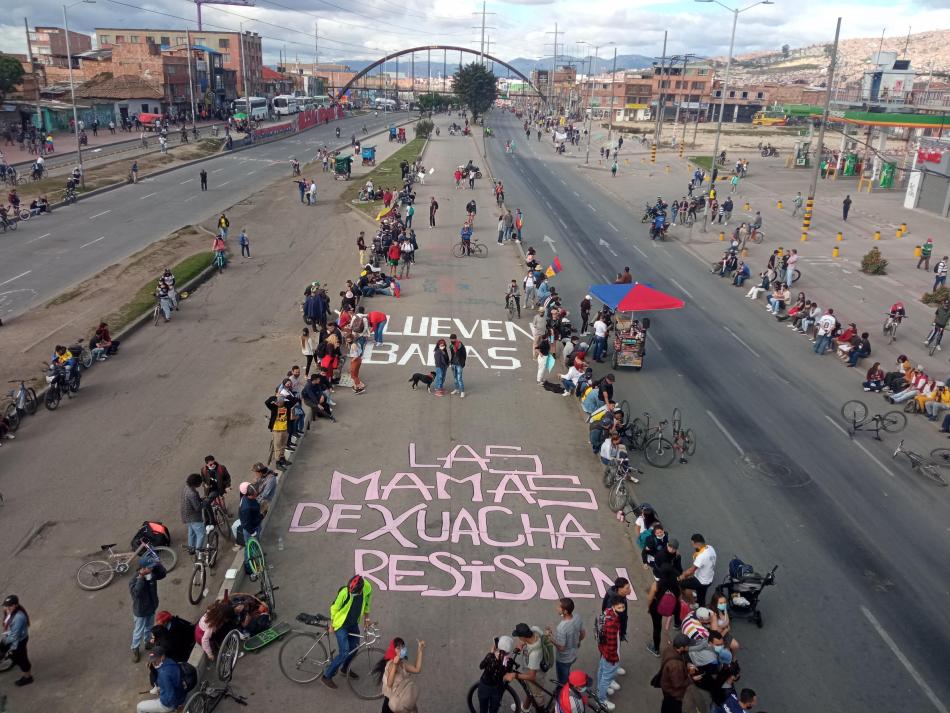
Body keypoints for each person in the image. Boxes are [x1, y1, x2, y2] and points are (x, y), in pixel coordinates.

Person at [322, 575, 373, 689]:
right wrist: (332, 624)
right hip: (341, 625)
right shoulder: (345, 592)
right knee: (344, 652)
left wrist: (367, 619)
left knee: (354, 647)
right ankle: (326, 676)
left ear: (361, 589)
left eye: (354, 592)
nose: (352, 593)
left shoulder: (367, 588)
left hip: (353, 623)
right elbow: (334, 608)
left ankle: (345, 669)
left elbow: (367, 604)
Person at [130, 556, 168, 662]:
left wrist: (158, 564)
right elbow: (136, 593)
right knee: (138, 631)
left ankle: (147, 642)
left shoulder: (152, 574)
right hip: (141, 611)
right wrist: (141, 577)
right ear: (143, 568)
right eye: (149, 567)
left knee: (149, 627)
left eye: (152, 567)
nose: (152, 569)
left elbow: (163, 574)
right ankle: (135, 648)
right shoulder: (134, 580)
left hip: (151, 607)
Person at [375, 637, 425, 713]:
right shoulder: (391, 664)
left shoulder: (402, 664)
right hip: (392, 705)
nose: (401, 649)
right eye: (398, 648)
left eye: (402, 647)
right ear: (393, 650)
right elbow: (389, 683)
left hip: (402, 700)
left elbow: (417, 669)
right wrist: (395, 664)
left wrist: (420, 650)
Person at [546, 597, 585, 685]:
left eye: (559, 607)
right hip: (574, 653)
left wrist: (551, 639)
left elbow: (561, 648)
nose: (556, 608)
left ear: (565, 611)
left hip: (564, 659)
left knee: (562, 680)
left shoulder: (562, 627)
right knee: (567, 671)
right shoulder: (577, 617)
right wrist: (577, 642)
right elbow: (583, 634)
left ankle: (563, 692)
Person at [595, 595, 624, 710]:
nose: (622, 609)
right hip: (610, 655)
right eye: (619, 607)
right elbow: (612, 645)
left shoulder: (606, 613)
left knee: (602, 671)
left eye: (623, 607)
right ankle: (601, 700)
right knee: (606, 677)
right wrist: (614, 658)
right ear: (613, 606)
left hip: (603, 650)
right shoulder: (613, 623)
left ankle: (601, 689)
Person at [476, 635, 517, 713]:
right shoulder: (509, 662)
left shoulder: (490, 657)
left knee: (483, 708)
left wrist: (491, 653)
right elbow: (507, 676)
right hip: (498, 689)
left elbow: (481, 666)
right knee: (494, 709)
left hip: (485, 686)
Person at [510, 623, 545, 713]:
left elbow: (532, 676)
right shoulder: (535, 630)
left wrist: (514, 675)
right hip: (533, 668)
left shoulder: (534, 654)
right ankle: (525, 709)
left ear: (523, 637)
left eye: (518, 636)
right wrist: (524, 643)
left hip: (535, 676)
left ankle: (541, 710)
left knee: (537, 697)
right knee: (529, 691)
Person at [137, 647, 185, 713]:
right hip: (180, 694)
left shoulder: (163, 674)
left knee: (139, 706)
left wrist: (161, 693)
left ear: (162, 657)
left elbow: (169, 698)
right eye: (151, 661)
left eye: (154, 661)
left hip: (170, 704)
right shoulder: (169, 661)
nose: (153, 663)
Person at [1, 595, 32, 686]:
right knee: (10, 652)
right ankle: (13, 660)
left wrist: (5, 641)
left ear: (16, 605)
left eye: (9, 606)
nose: (6, 608)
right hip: (11, 637)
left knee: (22, 659)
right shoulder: (9, 611)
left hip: (18, 641)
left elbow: (15, 636)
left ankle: (27, 677)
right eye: (6, 605)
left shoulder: (19, 618)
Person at [679, 533, 716, 606]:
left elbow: (691, 570)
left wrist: (681, 576)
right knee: (701, 596)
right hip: (708, 579)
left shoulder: (702, 556)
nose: (692, 545)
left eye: (692, 544)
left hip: (700, 581)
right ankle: (700, 607)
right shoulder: (710, 548)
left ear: (695, 543)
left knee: (681, 584)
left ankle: (691, 602)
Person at [660, 634, 693, 713]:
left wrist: (687, 664)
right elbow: (678, 684)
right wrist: (690, 678)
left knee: (666, 706)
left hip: (665, 686)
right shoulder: (676, 666)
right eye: (687, 646)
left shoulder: (669, 649)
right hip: (672, 694)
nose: (689, 648)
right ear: (681, 648)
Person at [238, 482, 263, 573]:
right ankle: (248, 567)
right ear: (249, 495)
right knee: (249, 548)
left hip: (255, 525)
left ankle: (257, 558)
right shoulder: (246, 507)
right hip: (250, 529)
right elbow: (246, 523)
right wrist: (252, 532)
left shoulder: (248, 500)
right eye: (255, 495)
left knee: (254, 546)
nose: (257, 496)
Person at [181, 473, 206, 555]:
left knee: (191, 533)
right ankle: (198, 553)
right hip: (194, 517)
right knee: (201, 534)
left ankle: (191, 549)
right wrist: (205, 502)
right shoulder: (192, 493)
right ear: (196, 483)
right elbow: (197, 507)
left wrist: (200, 499)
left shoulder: (186, 488)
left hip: (186, 515)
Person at [450, 333, 466, 398]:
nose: (452, 341)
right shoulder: (451, 345)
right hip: (453, 364)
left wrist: (462, 363)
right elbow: (452, 355)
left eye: (453, 339)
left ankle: (462, 391)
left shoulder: (460, 345)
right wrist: (451, 363)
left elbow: (464, 355)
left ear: (456, 339)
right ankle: (456, 389)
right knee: (455, 378)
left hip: (459, 364)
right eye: (451, 339)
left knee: (459, 378)